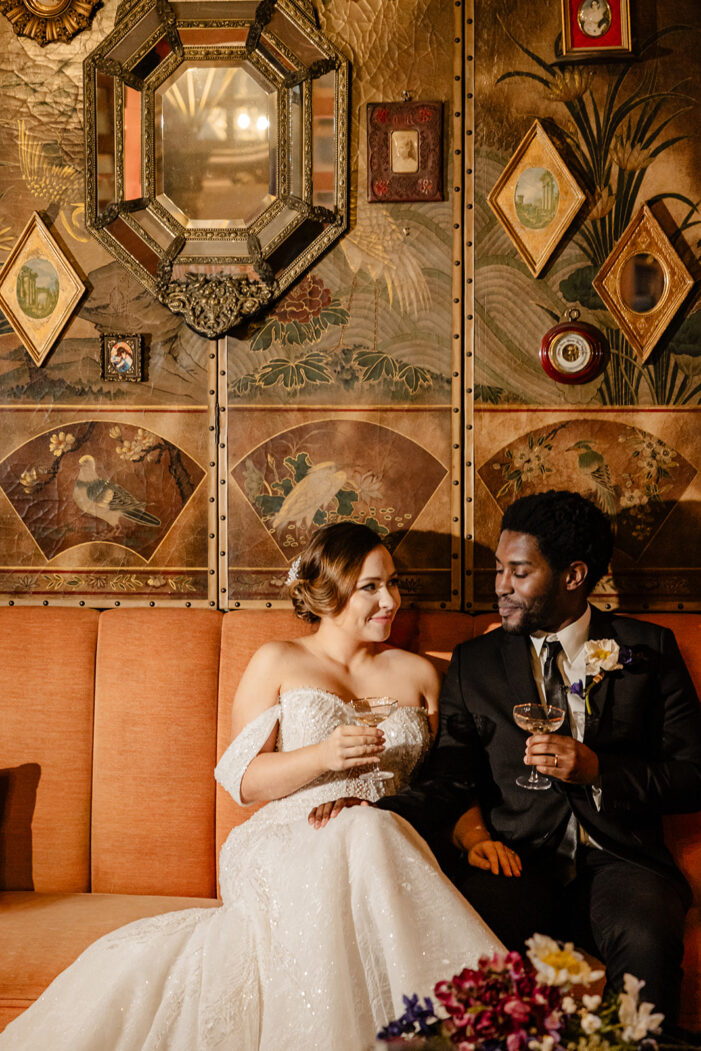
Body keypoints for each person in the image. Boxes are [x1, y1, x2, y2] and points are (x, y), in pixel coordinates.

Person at [0, 522, 503, 1051]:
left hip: (385, 835)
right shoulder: (278, 660)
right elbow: (239, 779)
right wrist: (322, 755)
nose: (389, 601)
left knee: (367, 828)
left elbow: (453, 771)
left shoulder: (421, 674)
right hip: (289, 834)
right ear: (329, 593)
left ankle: (482, 1025)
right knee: (361, 829)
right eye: (370, 588)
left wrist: (474, 835)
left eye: (394, 584)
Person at [377, 490, 701, 1032]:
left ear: (573, 576)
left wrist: (599, 772)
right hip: (516, 858)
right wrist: (380, 814)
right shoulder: (473, 662)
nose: (500, 585)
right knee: (467, 939)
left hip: (623, 862)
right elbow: (451, 773)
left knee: (647, 940)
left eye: (519, 572)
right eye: (499, 568)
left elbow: (695, 774)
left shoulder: (648, 651)